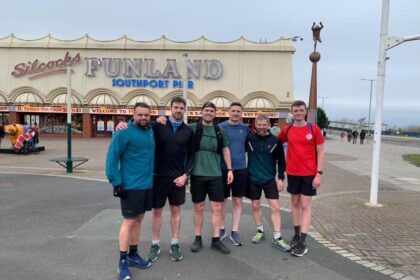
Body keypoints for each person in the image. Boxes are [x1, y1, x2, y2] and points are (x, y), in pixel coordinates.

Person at [116, 97, 194, 262]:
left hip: (177, 178)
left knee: (176, 211)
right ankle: (155, 244)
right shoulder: (158, 125)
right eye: (176, 107)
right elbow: (139, 123)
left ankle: (174, 243)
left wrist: (186, 175)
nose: (178, 110)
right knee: (157, 211)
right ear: (170, 108)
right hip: (158, 177)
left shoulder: (188, 131)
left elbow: (191, 156)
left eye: (181, 108)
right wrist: (123, 124)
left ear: (185, 110)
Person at [106, 102, 154, 280]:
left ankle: (133, 254)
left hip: (146, 185)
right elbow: (112, 158)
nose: (143, 118)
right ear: (133, 115)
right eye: (140, 115)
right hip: (130, 186)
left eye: (146, 115)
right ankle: (122, 262)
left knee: (139, 220)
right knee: (129, 221)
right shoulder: (123, 132)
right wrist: (116, 182)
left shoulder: (150, 130)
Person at [279, 100, 325, 257]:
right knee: (295, 203)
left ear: (305, 111)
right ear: (292, 112)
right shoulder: (287, 130)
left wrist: (319, 173)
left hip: (309, 174)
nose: (298, 113)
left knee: (305, 205)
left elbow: (321, 152)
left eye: (301, 110)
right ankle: (296, 235)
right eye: (296, 110)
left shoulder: (314, 129)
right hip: (292, 173)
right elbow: (277, 145)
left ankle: (303, 241)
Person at [246, 115, 290, 252]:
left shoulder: (275, 141)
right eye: (259, 124)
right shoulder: (249, 139)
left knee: (275, 207)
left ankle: (277, 237)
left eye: (264, 125)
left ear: (268, 125)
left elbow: (281, 161)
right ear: (255, 125)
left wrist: (281, 178)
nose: (261, 127)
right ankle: (260, 231)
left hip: (269, 179)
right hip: (253, 178)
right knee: (255, 205)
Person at [219, 102, 249, 246]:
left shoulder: (246, 128)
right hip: (223, 169)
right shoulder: (221, 127)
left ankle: (235, 231)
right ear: (228, 112)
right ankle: (221, 228)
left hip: (241, 169)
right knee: (222, 201)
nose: (236, 113)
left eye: (238, 111)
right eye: (233, 111)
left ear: (241, 113)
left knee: (237, 201)